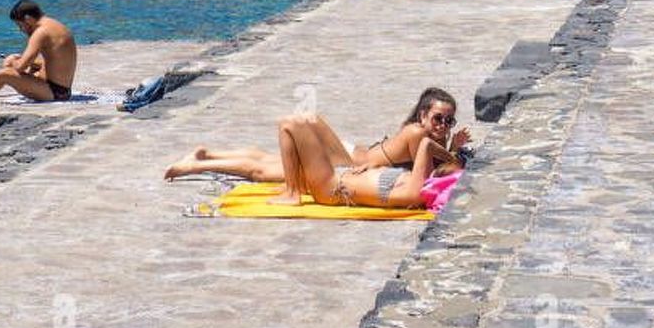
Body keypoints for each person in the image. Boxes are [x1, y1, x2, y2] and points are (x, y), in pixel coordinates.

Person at [163, 86, 470, 183]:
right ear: (422, 115)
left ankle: (207, 154)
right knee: (263, 172)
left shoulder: (426, 135)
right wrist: (454, 150)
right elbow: (428, 173)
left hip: (348, 154)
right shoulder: (418, 134)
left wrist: (450, 146)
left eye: (449, 120)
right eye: (438, 118)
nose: (443, 125)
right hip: (343, 161)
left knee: (269, 160)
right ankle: (194, 166)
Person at [268, 103, 461, 209]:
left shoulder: (416, 192)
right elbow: (427, 150)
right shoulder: (421, 179)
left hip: (330, 186)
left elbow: (426, 145)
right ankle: (296, 186)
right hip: (346, 169)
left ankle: (292, 193)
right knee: (310, 118)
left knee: (289, 123)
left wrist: (451, 158)